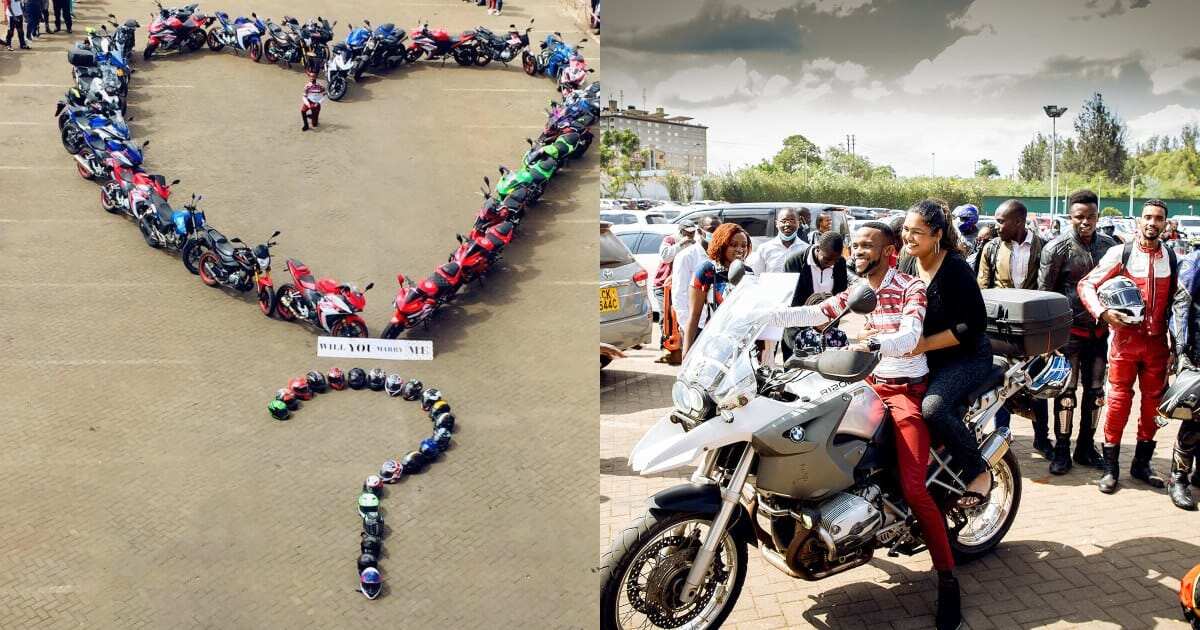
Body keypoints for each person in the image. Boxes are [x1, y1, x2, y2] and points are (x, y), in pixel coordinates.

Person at [767, 221, 962, 630]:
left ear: (889, 250)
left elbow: (910, 333)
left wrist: (877, 342)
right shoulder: (858, 289)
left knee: (914, 487)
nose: (857, 250)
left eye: (867, 245)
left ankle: (947, 581)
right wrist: (764, 317)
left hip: (903, 388)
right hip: (863, 381)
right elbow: (818, 311)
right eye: (854, 244)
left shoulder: (911, 287)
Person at [1079, 199, 1188, 494]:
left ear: (1165, 223)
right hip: (1125, 343)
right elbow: (1086, 285)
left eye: (1159, 218)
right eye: (1148, 217)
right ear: (1139, 221)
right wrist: (1102, 313)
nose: (1153, 223)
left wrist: (1179, 346)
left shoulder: (1172, 256)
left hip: (1157, 345)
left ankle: (1141, 464)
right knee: (1117, 402)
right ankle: (1111, 469)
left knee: (1154, 406)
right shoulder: (1121, 253)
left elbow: (1181, 302)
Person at [899, 199, 993, 508]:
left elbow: (974, 324)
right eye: (905, 230)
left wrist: (924, 343)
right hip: (923, 357)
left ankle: (978, 471)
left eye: (917, 232)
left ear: (937, 234)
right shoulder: (906, 260)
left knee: (933, 409)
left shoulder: (955, 268)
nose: (908, 238)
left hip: (966, 358)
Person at [1039, 190, 1118, 474]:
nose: (1086, 222)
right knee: (1066, 392)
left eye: (1091, 217)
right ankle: (1062, 450)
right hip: (1068, 335)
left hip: (1099, 333)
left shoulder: (1110, 247)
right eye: (1079, 217)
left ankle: (1086, 446)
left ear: (1098, 217)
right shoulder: (1055, 249)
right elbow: (1044, 295)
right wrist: (1050, 341)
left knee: (1096, 392)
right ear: (1070, 217)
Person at [977, 200, 1052, 457]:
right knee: (1001, 383)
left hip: (1033, 329)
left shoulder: (1043, 247)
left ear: (1019, 221)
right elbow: (983, 288)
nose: (996, 226)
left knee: (1036, 383)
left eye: (1001, 221)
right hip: (1000, 329)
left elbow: (1047, 288)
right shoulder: (992, 248)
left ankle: (1042, 439)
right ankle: (1002, 438)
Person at [683, 223, 750, 356]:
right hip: (713, 344)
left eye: (744, 245)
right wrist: (686, 354)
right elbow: (694, 315)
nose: (740, 249)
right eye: (733, 244)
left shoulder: (748, 273)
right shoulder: (707, 271)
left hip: (741, 345)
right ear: (722, 244)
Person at [781, 231, 848, 360]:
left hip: (827, 330)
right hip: (797, 330)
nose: (832, 264)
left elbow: (840, 295)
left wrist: (827, 323)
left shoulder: (840, 263)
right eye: (828, 259)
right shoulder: (794, 262)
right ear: (817, 248)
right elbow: (791, 300)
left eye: (836, 259)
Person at [1170, 244, 1200, 509]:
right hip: (1197, 351)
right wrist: (1181, 352)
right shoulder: (1194, 262)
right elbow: (1181, 307)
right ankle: (1178, 478)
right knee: (1195, 418)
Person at [670, 215, 720, 354]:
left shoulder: (720, 255)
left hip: (717, 325)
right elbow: (679, 294)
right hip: (696, 325)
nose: (715, 233)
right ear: (700, 231)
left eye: (719, 229)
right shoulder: (686, 256)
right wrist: (688, 327)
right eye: (712, 229)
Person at [654, 220, 697, 365]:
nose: (690, 235)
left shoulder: (695, 243)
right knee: (666, 318)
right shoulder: (670, 240)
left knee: (681, 317)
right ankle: (666, 350)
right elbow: (666, 257)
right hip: (663, 285)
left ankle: (680, 350)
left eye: (692, 232)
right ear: (681, 231)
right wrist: (682, 243)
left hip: (683, 286)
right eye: (687, 232)